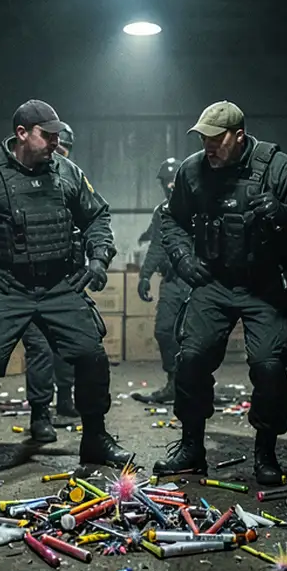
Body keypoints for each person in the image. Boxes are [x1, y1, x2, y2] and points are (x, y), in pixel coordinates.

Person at [152, 100, 287, 486]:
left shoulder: (277, 168)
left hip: (265, 284)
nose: (208, 146)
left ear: (239, 136)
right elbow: (170, 219)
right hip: (214, 282)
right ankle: (191, 448)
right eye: (203, 138)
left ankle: (266, 452)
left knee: (269, 367)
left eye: (216, 138)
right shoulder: (192, 170)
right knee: (191, 359)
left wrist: (285, 212)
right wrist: (183, 258)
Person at [0, 100, 132, 478]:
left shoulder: (67, 172)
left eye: (57, 135)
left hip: (59, 283)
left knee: (91, 355)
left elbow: (97, 215)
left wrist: (98, 258)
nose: (55, 142)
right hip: (7, 284)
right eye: (47, 135)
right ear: (22, 133)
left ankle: (95, 437)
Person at [21, 122, 78, 440]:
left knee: (66, 346)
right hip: (27, 283)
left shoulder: (70, 180)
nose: (59, 155)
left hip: (63, 281)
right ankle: (40, 413)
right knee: (40, 349)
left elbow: (91, 220)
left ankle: (66, 399)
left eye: (64, 150)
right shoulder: (21, 181)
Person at [132, 157, 188, 404]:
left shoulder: (199, 206)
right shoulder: (162, 212)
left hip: (198, 284)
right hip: (172, 282)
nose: (170, 185)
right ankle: (173, 383)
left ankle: (194, 386)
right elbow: (156, 246)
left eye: (173, 180)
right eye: (166, 181)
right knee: (164, 330)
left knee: (196, 337)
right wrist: (145, 275)